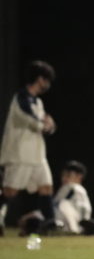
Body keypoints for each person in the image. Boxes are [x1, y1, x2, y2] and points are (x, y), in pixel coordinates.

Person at [0, 60, 57, 236]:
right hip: (20, 154)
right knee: (10, 191)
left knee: (46, 187)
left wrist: (50, 125)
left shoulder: (38, 102)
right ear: (39, 79)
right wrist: (45, 124)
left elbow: (45, 124)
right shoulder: (21, 98)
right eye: (46, 80)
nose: (47, 84)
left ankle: (50, 224)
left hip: (37, 154)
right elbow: (30, 119)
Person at [19, 160, 92, 235]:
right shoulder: (79, 190)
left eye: (68, 175)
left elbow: (56, 206)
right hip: (74, 222)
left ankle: (73, 230)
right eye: (63, 175)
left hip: (73, 222)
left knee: (63, 204)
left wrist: (36, 214)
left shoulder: (72, 187)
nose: (64, 178)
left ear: (79, 176)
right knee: (35, 220)